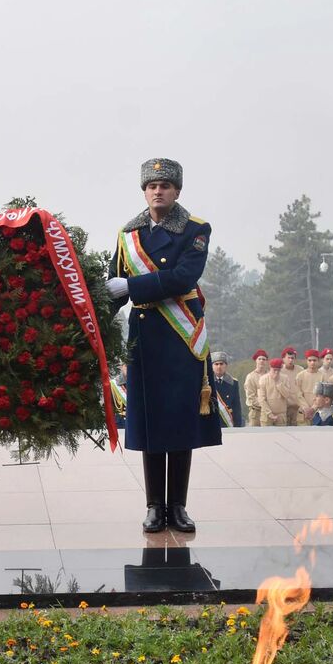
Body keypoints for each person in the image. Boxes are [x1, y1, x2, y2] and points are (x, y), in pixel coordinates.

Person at [107, 156, 221, 533]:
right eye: (152, 186)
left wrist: (132, 286)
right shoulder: (128, 235)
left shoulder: (195, 229)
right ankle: (154, 505)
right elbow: (113, 286)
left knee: (180, 422)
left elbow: (183, 276)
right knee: (152, 424)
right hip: (145, 339)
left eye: (166, 186)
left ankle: (179, 506)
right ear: (144, 191)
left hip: (181, 337)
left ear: (177, 191)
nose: (158, 191)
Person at [210, 352, 243, 427]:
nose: (219, 367)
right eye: (216, 364)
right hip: (211, 421)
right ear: (211, 366)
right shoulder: (207, 383)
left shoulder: (233, 382)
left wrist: (238, 425)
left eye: (221, 364)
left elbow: (236, 406)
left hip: (227, 422)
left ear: (226, 365)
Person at [243, 350, 268, 428]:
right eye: (259, 359)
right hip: (256, 412)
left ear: (266, 361)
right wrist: (265, 405)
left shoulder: (270, 375)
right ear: (256, 361)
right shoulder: (250, 377)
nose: (261, 361)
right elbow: (251, 396)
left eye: (264, 359)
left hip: (269, 412)